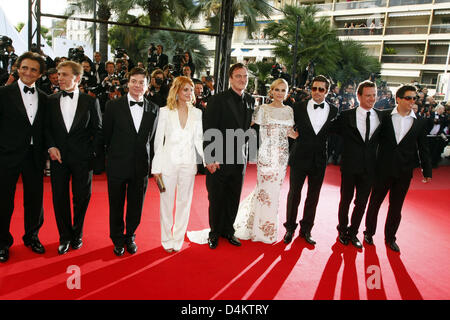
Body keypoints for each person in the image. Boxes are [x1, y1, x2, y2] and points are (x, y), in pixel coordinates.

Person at [363, 85, 432, 253]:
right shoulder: (383, 116)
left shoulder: (420, 122)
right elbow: (372, 142)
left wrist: (427, 169)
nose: (412, 101)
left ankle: (390, 238)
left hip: (404, 171)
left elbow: (423, 147)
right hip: (382, 169)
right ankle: (368, 233)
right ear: (398, 99)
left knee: (396, 207)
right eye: (408, 98)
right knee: (374, 203)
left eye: (414, 98)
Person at [45, 60, 103, 255]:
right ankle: (64, 236)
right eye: (58, 74)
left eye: (64, 74)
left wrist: (90, 153)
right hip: (58, 159)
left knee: (81, 198)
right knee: (59, 198)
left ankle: (77, 234)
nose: (58, 78)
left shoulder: (90, 101)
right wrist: (51, 146)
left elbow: (99, 130)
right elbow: (46, 128)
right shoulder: (51, 100)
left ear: (77, 78)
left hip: (82, 159)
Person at [102, 67, 159, 256]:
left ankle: (130, 235)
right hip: (117, 165)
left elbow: (153, 139)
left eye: (141, 82)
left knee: (136, 206)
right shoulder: (113, 106)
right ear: (128, 83)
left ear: (147, 85)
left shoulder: (154, 109)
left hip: (140, 166)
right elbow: (106, 136)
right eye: (134, 81)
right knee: (116, 205)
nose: (137, 85)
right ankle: (117, 239)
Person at [234, 78, 297, 243]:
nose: (280, 93)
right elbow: (248, 123)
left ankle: (268, 231)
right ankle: (257, 230)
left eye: (283, 90)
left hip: (282, 156)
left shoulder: (289, 110)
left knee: (274, 193)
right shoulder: (262, 109)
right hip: (266, 155)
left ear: (287, 93)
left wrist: (307, 137)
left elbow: (290, 133)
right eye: (277, 90)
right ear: (272, 91)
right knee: (263, 192)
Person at [200, 63, 256, 249]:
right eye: (238, 76)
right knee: (216, 196)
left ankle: (228, 230)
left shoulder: (250, 100)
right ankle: (214, 232)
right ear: (231, 78)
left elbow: (248, 129)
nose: (242, 80)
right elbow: (208, 129)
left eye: (245, 77)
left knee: (233, 196)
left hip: (239, 157)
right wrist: (210, 157)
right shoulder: (217, 99)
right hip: (219, 156)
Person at [0, 52, 48, 263]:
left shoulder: (46, 99)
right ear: (18, 68)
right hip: (7, 155)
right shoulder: (3, 93)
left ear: (40, 74)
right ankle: (1, 243)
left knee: (34, 200)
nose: (28, 72)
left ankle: (32, 236)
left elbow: (46, 129)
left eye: (34, 69)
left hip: (34, 156)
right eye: (25, 68)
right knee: (3, 201)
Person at [284, 75, 338, 246]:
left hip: (319, 159)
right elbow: (287, 125)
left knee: (313, 197)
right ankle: (290, 228)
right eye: (314, 88)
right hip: (299, 156)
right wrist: (292, 135)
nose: (316, 92)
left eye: (321, 89)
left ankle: (306, 230)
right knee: (294, 194)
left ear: (327, 92)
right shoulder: (298, 107)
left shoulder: (334, 111)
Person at [151, 76, 204, 253]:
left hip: (188, 164)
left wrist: (208, 160)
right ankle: (166, 238)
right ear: (177, 91)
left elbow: (199, 140)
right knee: (166, 202)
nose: (189, 93)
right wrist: (156, 168)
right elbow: (158, 141)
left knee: (184, 202)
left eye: (191, 89)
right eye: (185, 89)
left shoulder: (197, 113)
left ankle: (178, 237)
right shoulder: (165, 111)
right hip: (167, 164)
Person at [332, 80, 386, 249]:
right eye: (368, 95)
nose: (372, 98)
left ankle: (353, 232)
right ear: (359, 96)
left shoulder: (382, 117)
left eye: (374, 95)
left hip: (370, 168)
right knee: (345, 200)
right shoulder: (346, 115)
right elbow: (328, 130)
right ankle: (342, 230)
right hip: (349, 166)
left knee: (361, 202)